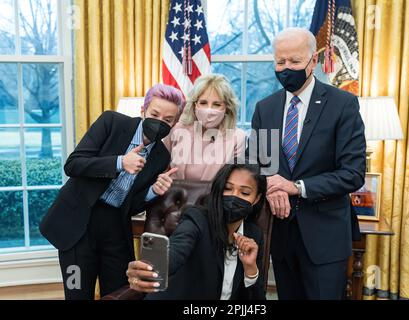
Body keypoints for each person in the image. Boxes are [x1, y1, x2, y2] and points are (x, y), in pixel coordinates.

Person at [247, 27, 366, 299]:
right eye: (280, 62)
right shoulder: (265, 108)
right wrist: (272, 186)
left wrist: (296, 187)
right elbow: (256, 165)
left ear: (313, 61)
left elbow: (353, 173)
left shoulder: (343, 104)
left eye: (295, 61)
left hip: (326, 237)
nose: (286, 68)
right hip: (281, 233)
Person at [39, 84, 185, 299]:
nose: (159, 122)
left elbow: (132, 205)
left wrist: (153, 191)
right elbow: (73, 164)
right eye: (154, 114)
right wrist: (119, 162)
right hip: (79, 225)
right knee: (77, 291)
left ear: (175, 123)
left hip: (116, 229)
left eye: (167, 120)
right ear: (143, 111)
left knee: (119, 294)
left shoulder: (162, 156)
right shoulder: (111, 122)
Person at [126, 163, 267, 300]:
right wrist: (152, 268)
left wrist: (251, 269)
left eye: (245, 192)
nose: (234, 196)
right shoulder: (196, 219)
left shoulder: (254, 235)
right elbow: (177, 248)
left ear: (256, 198)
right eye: (227, 189)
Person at [164, 73, 246, 181]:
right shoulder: (178, 129)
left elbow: (235, 180)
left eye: (217, 104)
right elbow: (161, 168)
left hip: (215, 197)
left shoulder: (238, 137)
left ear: (227, 108)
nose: (209, 110)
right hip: (174, 195)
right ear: (194, 105)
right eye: (203, 103)